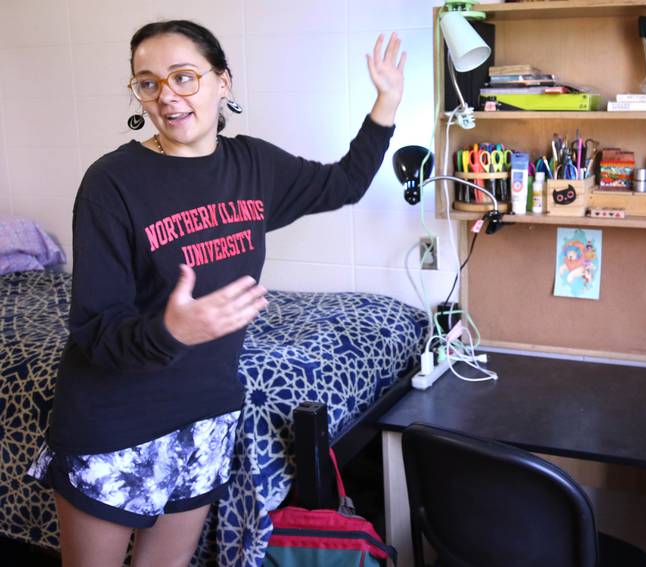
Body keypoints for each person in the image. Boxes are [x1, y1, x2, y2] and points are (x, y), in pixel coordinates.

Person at [26, 19, 405, 567]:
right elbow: (94, 328)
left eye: (184, 77)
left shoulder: (252, 164)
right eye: (148, 83)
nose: (167, 96)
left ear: (223, 81)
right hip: (115, 419)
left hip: (206, 411)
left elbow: (343, 182)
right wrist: (170, 331)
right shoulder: (112, 182)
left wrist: (387, 103)